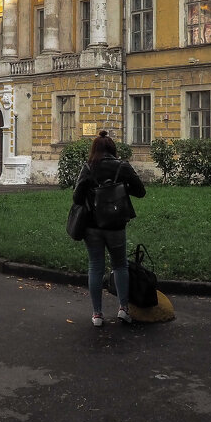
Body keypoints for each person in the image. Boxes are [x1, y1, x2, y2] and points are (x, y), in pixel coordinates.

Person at [71, 130, 146, 326]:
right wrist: (120, 189)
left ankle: (97, 314)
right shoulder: (122, 166)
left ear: (94, 149)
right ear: (113, 149)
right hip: (116, 225)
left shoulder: (88, 167)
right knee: (120, 265)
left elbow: (77, 198)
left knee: (95, 266)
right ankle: (123, 309)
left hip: (92, 226)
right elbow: (141, 192)